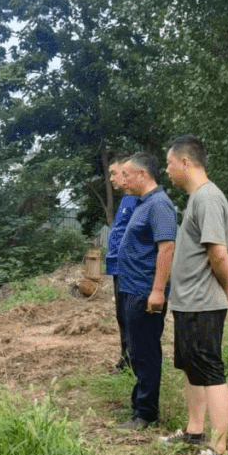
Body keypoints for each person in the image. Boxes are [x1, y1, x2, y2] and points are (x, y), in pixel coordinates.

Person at [159, 135, 228, 455]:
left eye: (168, 164)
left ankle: (218, 450)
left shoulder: (207, 197)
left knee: (211, 371)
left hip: (203, 303)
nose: (166, 171)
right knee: (192, 368)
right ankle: (195, 432)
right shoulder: (197, 199)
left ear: (184, 162)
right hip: (187, 303)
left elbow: (218, 252)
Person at [114, 151, 177, 431]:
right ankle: (138, 405)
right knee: (136, 350)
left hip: (144, 291)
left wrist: (157, 291)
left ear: (142, 174)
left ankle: (146, 414)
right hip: (132, 288)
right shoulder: (143, 203)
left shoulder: (160, 205)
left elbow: (167, 248)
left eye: (127, 173)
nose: (123, 179)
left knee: (146, 352)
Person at [105, 155, 138, 374]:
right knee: (120, 317)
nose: (112, 178)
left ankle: (132, 361)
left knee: (129, 317)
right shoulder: (126, 200)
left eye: (115, 173)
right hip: (118, 268)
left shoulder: (138, 200)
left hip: (128, 269)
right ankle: (124, 358)